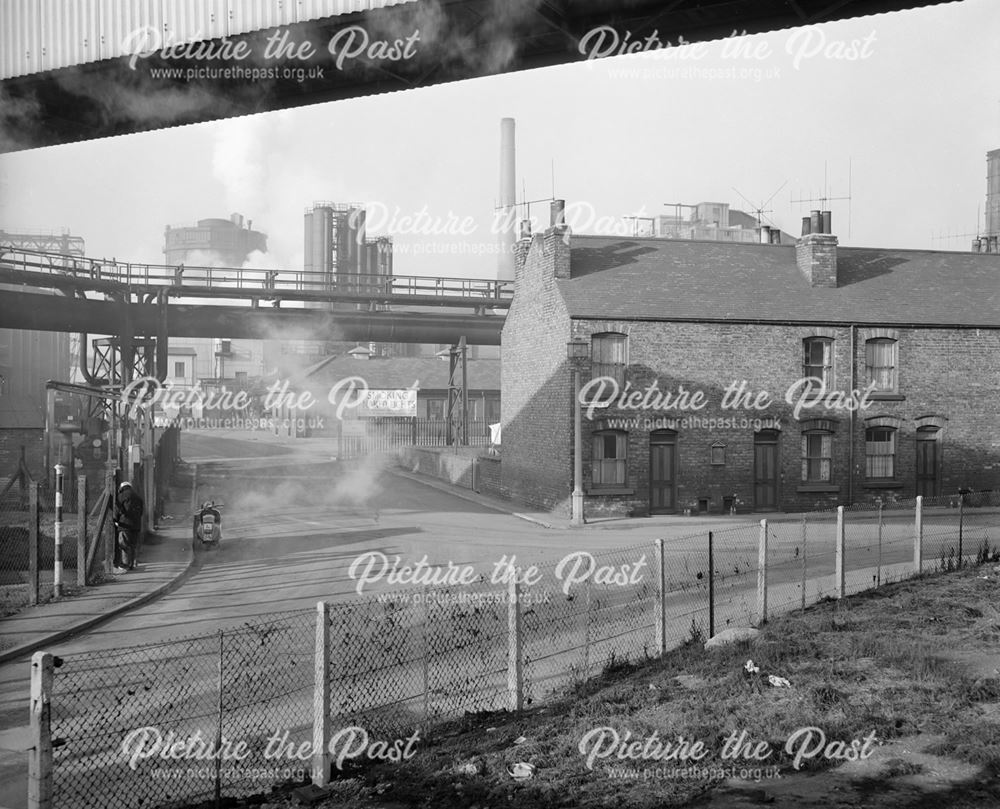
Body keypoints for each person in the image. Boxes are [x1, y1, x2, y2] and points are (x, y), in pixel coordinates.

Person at [113, 481, 144, 572]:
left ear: (122, 488)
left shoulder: (122, 496)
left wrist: (115, 520)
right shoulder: (138, 497)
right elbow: (141, 512)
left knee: (124, 544)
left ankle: (125, 564)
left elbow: (117, 509)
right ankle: (132, 563)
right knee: (133, 545)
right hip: (136, 525)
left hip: (124, 524)